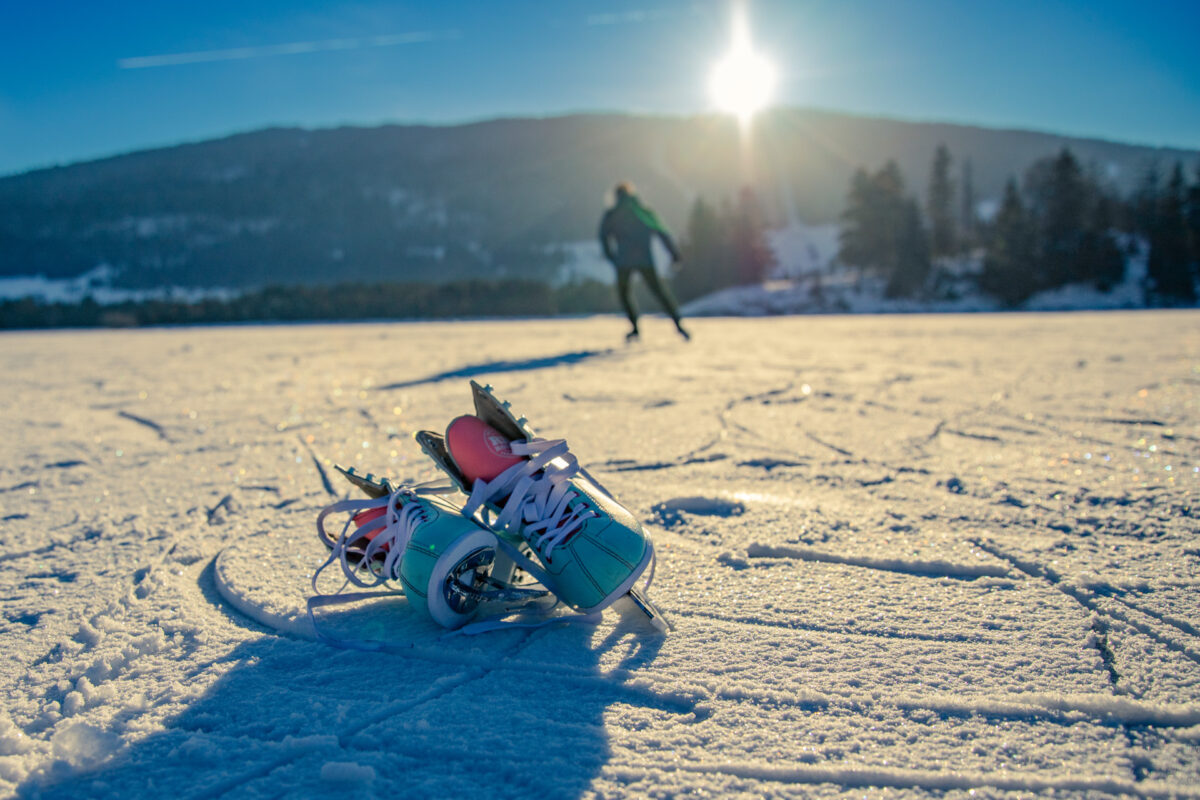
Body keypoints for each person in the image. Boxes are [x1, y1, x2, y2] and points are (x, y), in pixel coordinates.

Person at [598, 182, 690, 341]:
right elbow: (662, 232)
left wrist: (611, 256)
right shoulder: (643, 211)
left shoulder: (612, 214)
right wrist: (674, 254)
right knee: (660, 292)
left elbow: (603, 236)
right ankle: (678, 324)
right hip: (645, 259)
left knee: (624, 294)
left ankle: (635, 328)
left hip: (623, 261)